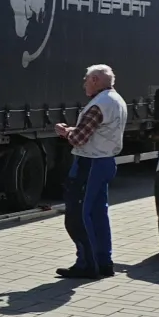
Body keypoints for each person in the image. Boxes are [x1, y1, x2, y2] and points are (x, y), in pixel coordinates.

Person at [55, 65, 127, 280]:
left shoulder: (99, 104)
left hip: (90, 163)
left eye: (86, 79)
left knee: (78, 216)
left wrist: (66, 131)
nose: (84, 83)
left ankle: (87, 264)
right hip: (105, 161)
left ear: (95, 79)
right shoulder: (117, 99)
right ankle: (104, 262)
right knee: (98, 214)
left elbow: (79, 139)